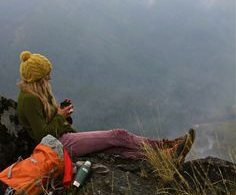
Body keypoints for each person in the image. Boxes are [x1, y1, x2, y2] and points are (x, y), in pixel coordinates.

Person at [17, 51, 195, 162]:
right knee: (119, 135)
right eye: (47, 74)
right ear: (38, 77)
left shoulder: (40, 93)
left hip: (64, 139)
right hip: (58, 146)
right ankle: (165, 145)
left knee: (118, 150)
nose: (50, 77)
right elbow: (42, 135)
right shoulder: (29, 99)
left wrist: (61, 113)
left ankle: (165, 156)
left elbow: (48, 121)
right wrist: (60, 116)